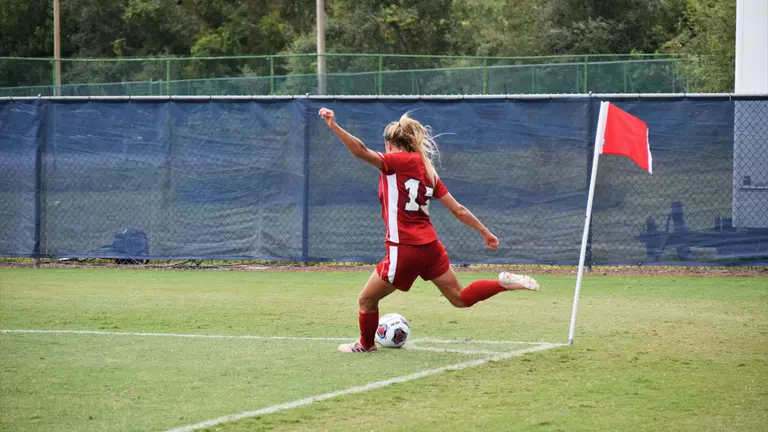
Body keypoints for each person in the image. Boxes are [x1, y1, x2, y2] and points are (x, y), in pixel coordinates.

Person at [318, 108, 540, 353]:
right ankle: (502, 284)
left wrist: (334, 125)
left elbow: (360, 150)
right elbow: (458, 210)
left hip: (405, 247)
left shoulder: (395, 162)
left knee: (366, 299)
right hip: (431, 247)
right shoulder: (427, 170)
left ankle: (366, 344)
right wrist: (485, 232)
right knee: (460, 298)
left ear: (389, 145)